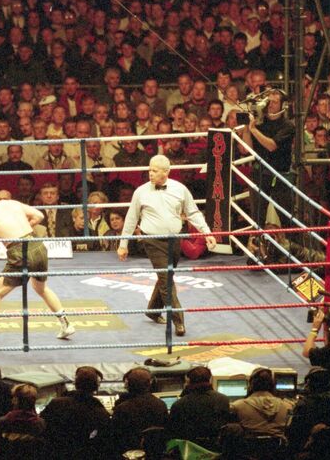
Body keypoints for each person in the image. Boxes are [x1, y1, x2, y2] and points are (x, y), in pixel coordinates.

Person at [118, 156, 216, 335]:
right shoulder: (140, 192)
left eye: (155, 171)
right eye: (149, 170)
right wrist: (123, 244)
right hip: (152, 240)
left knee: (166, 276)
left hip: (174, 240)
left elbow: (193, 212)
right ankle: (178, 320)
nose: (150, 173)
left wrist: (207, 233)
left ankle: (153, 310)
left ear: (166, 172)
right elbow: (131, 219)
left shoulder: (180, 189)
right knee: (166, 280)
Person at [0, 189, 75, 347]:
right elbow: (39, 215)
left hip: (20, 252)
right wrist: (24, 230)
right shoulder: (11, 203)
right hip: (38, 246)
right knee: (41, 289)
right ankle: (66, 324)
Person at [237, 89, 295, 227]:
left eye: (275, 102)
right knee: (257, 218)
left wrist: (254, 130)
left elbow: (271, 146)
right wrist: (247, 128)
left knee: (286, 217)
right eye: (268, 101)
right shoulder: (259, 123)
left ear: (283, 105)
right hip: (260, 173)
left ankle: (291, 245)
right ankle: (258, 244)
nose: (271, 105)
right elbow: (247, 150)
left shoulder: (288, 125)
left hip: (280, 175)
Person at [40, 366, 110, 459]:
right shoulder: (100, 412)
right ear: (96, 386)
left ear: (76, 383)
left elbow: (42, 426)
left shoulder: (57, 403)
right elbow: (103, 441)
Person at [166, 366, 230, 450]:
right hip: (215, 448)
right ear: (209, 379)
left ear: (188, 382)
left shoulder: (179, 404)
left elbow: (173, 431)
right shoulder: (223, 399)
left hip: (188, 450)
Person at [111, 367, 170, 453]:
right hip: (155, 452)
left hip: (129, 452)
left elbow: (115, 437)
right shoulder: (161, 405)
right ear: (150, 383)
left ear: (127, 384)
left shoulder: (122, 408)